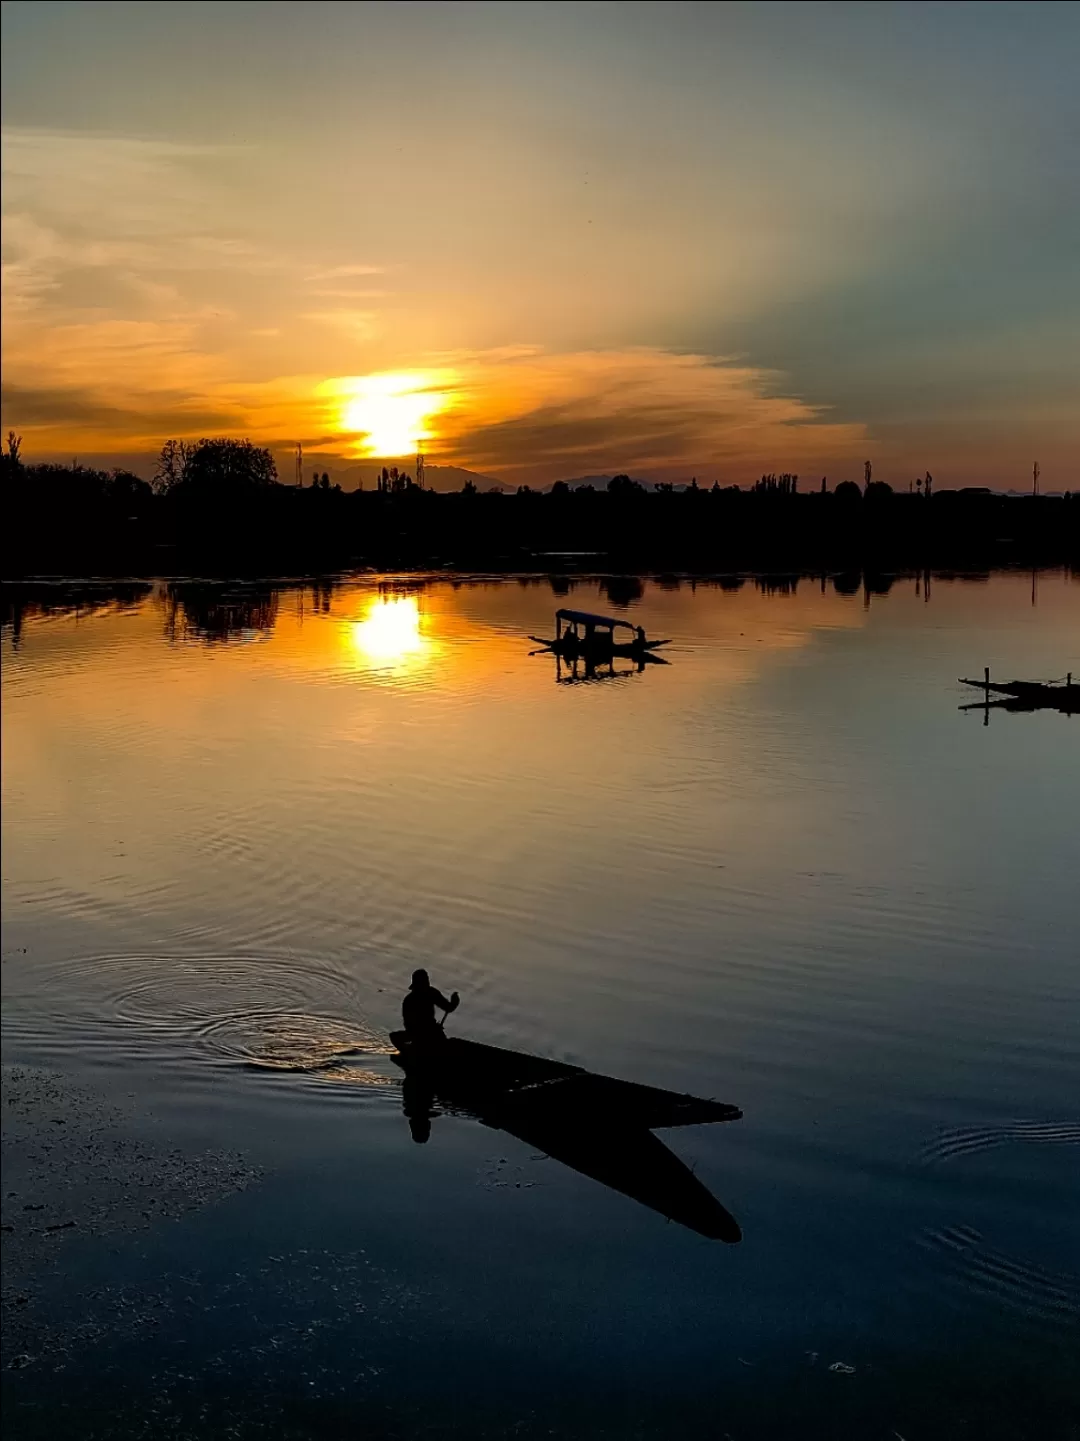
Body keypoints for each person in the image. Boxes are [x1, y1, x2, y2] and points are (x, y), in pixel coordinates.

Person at [401, 968, 459, 1043]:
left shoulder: (430, 993)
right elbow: (449, 1008)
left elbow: (448, 1007)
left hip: (430, 1030)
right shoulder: (428, 993)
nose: (427, 982)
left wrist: (454, 1002)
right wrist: (454, 1002)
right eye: (425, 980)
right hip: (422, 1032)